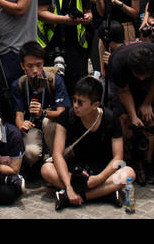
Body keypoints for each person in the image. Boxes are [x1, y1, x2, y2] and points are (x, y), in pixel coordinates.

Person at [43, 76, 134, 209]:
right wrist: (68, 185)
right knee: (46, 170)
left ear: (95, 105)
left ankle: (78, 197)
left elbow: (118, 157)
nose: (75, 105)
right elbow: (57, 153)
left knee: (129, 174)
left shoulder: (110, 119)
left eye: (80, 102)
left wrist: (97, 179)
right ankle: (105, 194)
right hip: (75, 170)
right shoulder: (67, 117)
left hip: (102, 170)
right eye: (74, 100)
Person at [107, 39, 154, 183]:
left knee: (148, 117)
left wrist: (147, 103)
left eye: (144, 76)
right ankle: (126, 159)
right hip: (123, 83)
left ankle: (147, 164)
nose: (141, 78)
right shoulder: (119, 63)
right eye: (139, 76)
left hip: (148, 85)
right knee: (124, 118)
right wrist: (133, 116)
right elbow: (123, 92)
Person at [12, 41, 71, 172]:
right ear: (22, 66)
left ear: (43, 63)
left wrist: (43, 112)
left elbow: (63, 113)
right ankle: (39, 163)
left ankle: (54, 159)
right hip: (33, 126)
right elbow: (18, 116)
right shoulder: (19, 85)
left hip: (51, 125)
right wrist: (22, 125)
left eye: (39, 65)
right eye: (30, 66)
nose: (35, 71)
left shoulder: (54, 80)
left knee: (48, 122)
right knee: (31, 154)